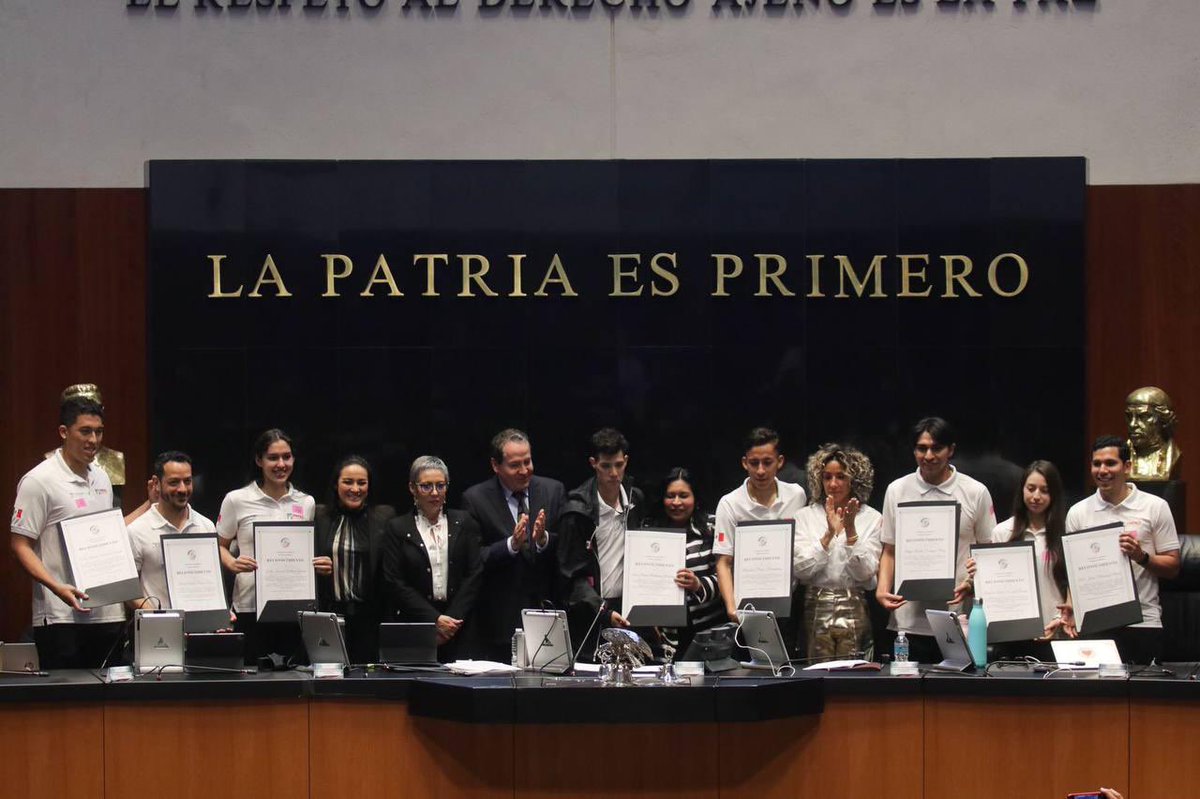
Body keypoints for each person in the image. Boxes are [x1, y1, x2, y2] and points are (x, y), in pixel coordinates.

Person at [10, 396, 127, 669]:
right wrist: (56, 587)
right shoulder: (39, 480)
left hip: (106, 612)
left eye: (98, 432)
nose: (94, 440)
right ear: (64, 432)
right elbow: (20, 545)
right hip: (60, 615)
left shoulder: (101, 477)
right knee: (68, 705)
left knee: (109, 703)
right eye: (85, 431)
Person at [876, 417, 995, 665]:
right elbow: (889, 549)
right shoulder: (897, 490)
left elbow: (986, 552)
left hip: (957, 617)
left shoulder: (975, 491)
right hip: (908, 620)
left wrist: (972, 581)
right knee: (907, 698)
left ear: (951, 450)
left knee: (959, 698)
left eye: (936, 448)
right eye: (921, 448)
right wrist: (882, 589)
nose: (928, 456)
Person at [1064, 435, 1180, 664]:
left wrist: (1141, 556)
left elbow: (1173, 567)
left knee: (1145, 698)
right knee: (1097, 699)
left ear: (1127, 466)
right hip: (1096, 624)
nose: (1102, 470)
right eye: (1096, 464)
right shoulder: (1078, 513)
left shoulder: (1155, 507)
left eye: (1110, 463)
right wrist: (1070, 603)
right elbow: (1073, 573)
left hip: (1143, 623)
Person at [462, 428, 566, 662]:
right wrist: (511, 545)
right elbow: (475, 558)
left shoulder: (553, 490)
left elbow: (566, 548)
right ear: (495, 465)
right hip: (500, 621)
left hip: (547, 614)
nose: (524, 471)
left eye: (527, 462)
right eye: (515, 465)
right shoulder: (475, 499)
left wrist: (543, 539)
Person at [216, 429, 318, 662]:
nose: (281, 464)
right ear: (259, 460)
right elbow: (217, 545)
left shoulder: (306, 502)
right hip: (250, 606)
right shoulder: (237, 499)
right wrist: (232, 562)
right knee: (251, 683)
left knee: (293, 684)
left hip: (293, 605)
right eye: (273, 457)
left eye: (287, 456)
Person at [381, 456, 483, 662]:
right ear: (412, 488)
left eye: (440, 485)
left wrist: (451, 623)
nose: (435, 493)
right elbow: (394, 581)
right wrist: (434, 620)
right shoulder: (397, 528)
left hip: (459, 626)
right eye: (426, 486)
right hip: (415, 624)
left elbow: (475, 574)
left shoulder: (465, 522)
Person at [557, 428, 646, 656]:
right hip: (591, 612)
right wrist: (602, 611)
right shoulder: (576, 511)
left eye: (619, 464)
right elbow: (570, 576)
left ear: (626, 461)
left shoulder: (635, 500)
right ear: (593, 463)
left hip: (629, 609)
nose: (614, 473)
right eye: (606, 466)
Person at [793, 443, 882, 661]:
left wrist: (850, 532)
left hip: (854, 602)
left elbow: (866, 573)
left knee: (854, 678)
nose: (833, 484)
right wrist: (827, 535)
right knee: (815, 675)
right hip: (815, 602)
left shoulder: (872, 518)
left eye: (841, 477)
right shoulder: (805, 516)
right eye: (827, 477)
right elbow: (800, 570)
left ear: (854, 479)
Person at [713, 427, 807, 623]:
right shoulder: (730, 503)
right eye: (754, 463)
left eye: (767, 462)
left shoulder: (797, 496)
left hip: (790, 604)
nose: (761, 470)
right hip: (746, 607)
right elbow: (723, 562)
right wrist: (731, 608)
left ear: (779, 462)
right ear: (744, 463)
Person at [314, 455, 396, 664]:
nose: (355, 489)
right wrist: (313, 566)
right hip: (328, 615)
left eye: (362, 482)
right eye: (348, 482)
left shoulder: (384, 516)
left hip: (369, 617)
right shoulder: (319, 516)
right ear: (336, 484)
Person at [986, 460, 1072, 659]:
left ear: (1054, 494)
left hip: (1055, 630)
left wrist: (1061, 618)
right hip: (1012, 633)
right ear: (1022, 490)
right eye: (1031, 488)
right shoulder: (1002, 532)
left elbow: (1075, 585)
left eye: (1044, 490)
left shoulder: (1066, 532)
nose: (1036, 496)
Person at [127, 451, 218, 612]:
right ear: (156, 483)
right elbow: (128, 590)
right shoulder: (137, 530)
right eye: (174, 482)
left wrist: (220, 610)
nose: (182, 489)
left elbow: (212, 581)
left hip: (201, 625)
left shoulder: (206, 526)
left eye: (187, 481)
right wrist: (155, 616)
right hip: (157, 629)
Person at [649, 467, 724, 656]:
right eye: (670, 496)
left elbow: (727, 574)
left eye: (683, 495)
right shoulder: (648, 530)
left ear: (695, 497)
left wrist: (698, 584)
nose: (676, 502)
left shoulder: (713, 527)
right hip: (665, 633)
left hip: (708, 629)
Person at [1125, 386, 1181, 480]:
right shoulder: (1119, 458)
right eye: (1129, 416)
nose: (1132, 424)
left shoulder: (1175, 457)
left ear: (1163, 419)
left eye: (1143, 416)